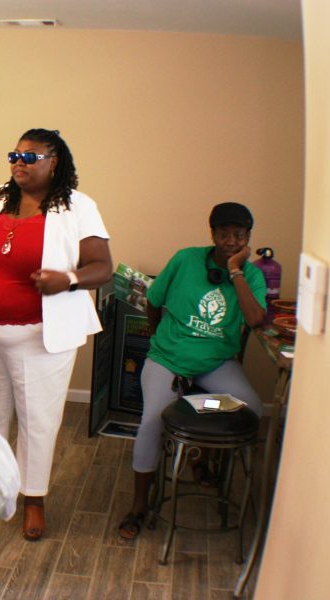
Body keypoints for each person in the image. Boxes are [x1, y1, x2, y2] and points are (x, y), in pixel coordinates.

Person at [0, 128, 113, 542]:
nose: (19, 162)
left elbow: (102, 266)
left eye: (31, 157)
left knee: (38, 420)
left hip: (42, 337)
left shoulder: (77, 206)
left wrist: (68, 279)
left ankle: (33, 500)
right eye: (15, 154)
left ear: (55, 162)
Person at [117, 201, 266, 540]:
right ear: (212, 234)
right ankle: (139, 505)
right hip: (168, 358)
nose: (231, 241)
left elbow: (256, 320)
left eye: (239, 236)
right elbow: (154, 301)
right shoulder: (186, 259)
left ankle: (200, 447)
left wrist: (236, 272)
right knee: (153, 420)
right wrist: (160, 341)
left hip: (216, 363)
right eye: (224, 234)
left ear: (248, 238)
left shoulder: (252, 275)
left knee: (251, 406)